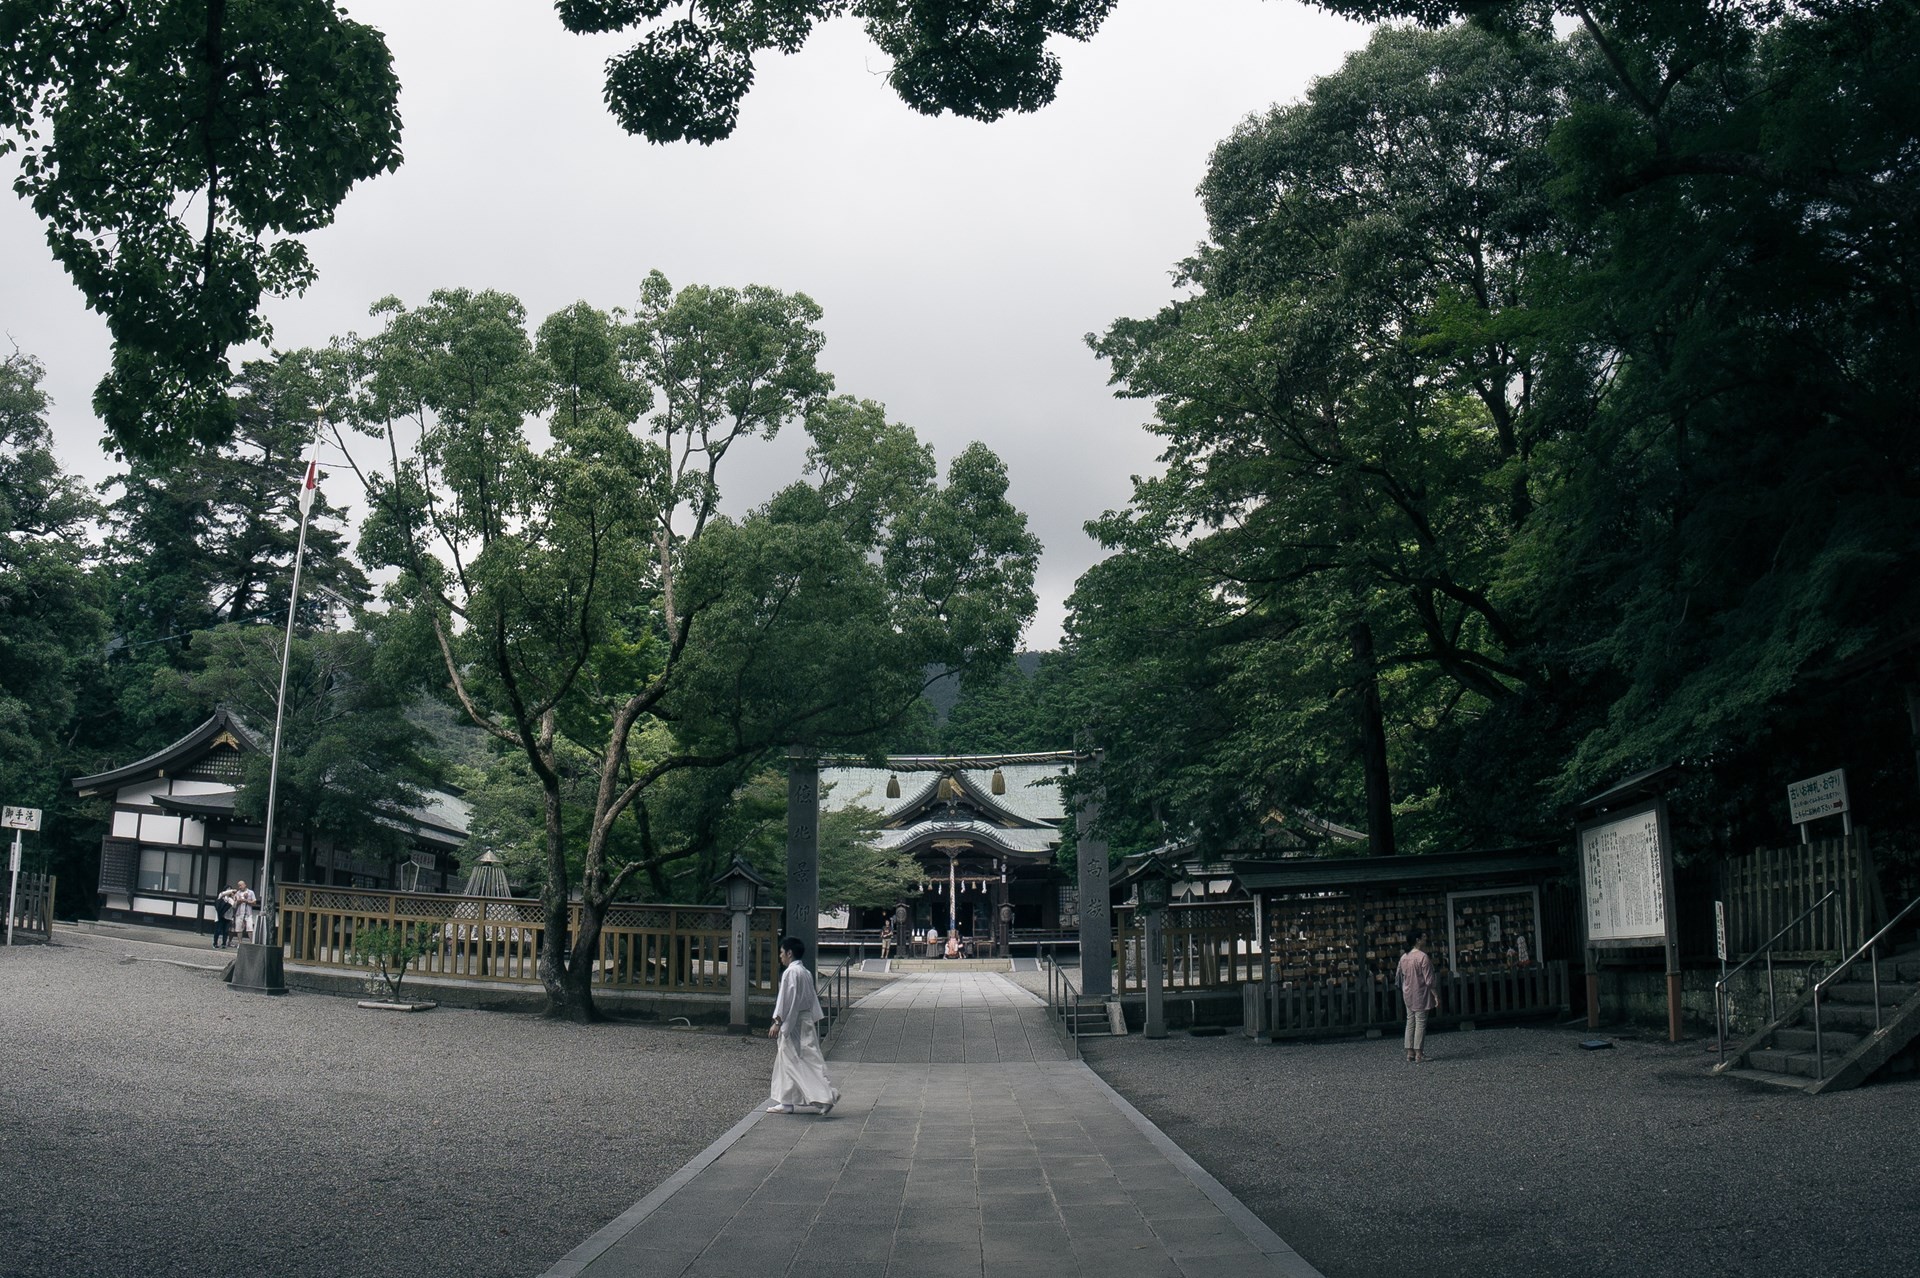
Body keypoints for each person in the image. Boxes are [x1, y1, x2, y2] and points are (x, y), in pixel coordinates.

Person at [766, 937, 839, 1115]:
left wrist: (778, 1021)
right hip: (803, 1020)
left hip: (795, 1022)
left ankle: (826, 1097)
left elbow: (787, 1000)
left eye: (782, 953)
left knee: (798, 1062)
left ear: (789, 953)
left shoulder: (791, 973)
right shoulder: (804, 972)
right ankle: (786, 1101)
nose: (781, 957)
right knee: (794, 1061)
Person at [1397, 929, 1439, 1063]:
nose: (1425, 939)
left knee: (1410, 1021)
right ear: (1418, 940)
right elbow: (1429, 981)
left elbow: (1399, 976)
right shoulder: (1422, 957)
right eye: (1424, 937)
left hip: (1407, 992)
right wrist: (1435, 995)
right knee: (1420, 1022)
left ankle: (1410, 1052)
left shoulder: (1404, 957)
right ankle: (1419, 1053)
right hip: (1420, 993)